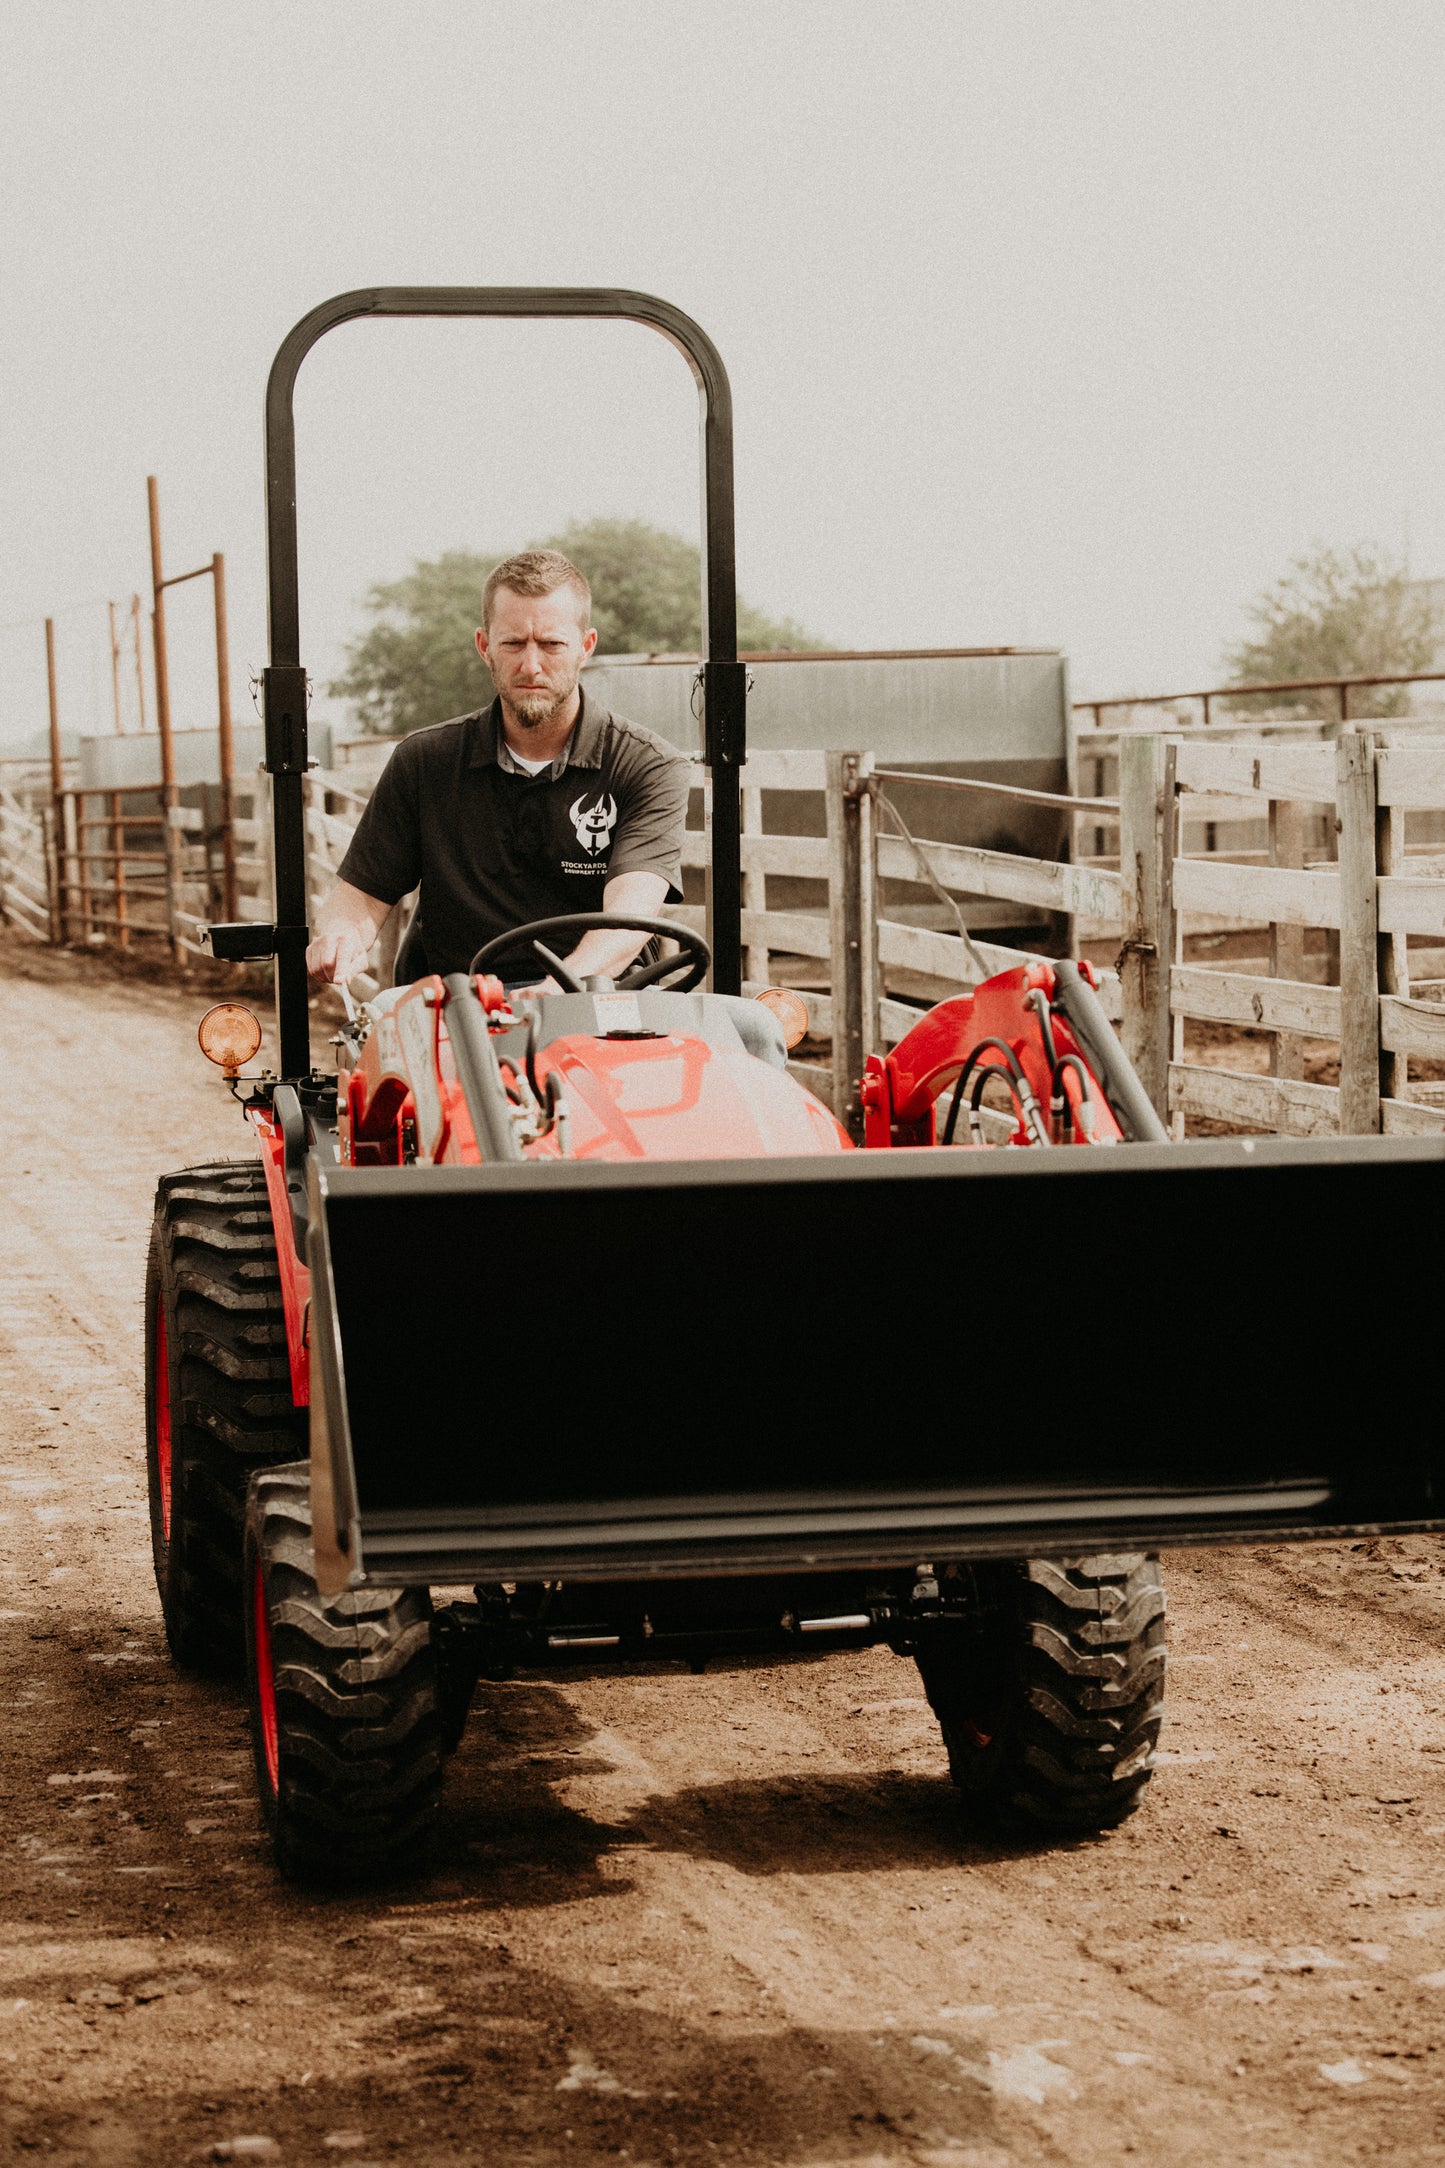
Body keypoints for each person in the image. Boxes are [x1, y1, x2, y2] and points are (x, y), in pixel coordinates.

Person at [305, 550, 690, 989]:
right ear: (484, 646)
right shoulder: (424, 762)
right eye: (513, 643)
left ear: (586, 646)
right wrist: (340, 938)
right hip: (457, 1007)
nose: (531, 665)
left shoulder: (648, 766)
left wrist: (552, 994)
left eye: (551, 644)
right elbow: (360, 897)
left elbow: (627, 920)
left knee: (754, 1029)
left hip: (595, 1001)